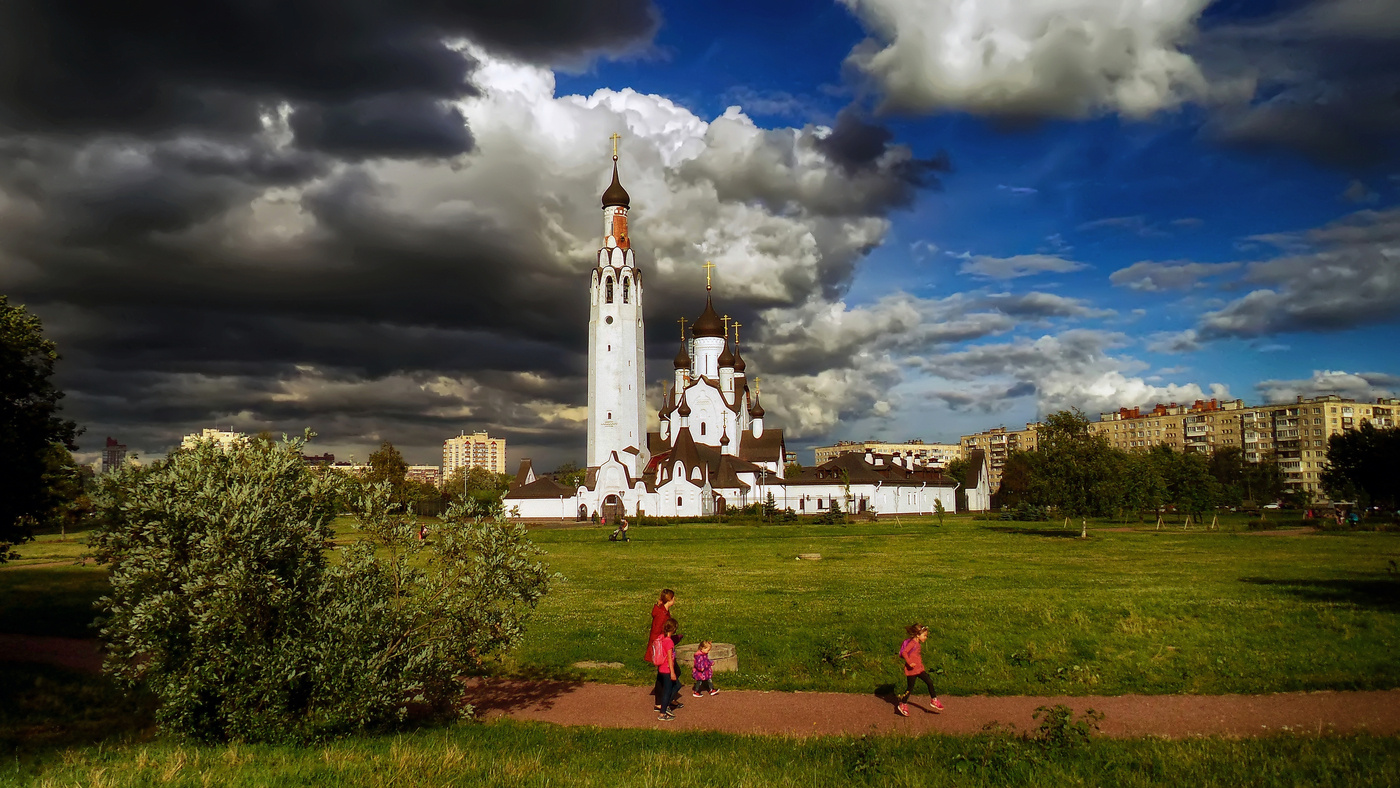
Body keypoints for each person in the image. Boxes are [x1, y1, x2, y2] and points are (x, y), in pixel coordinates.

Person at [896, 623, 943, 717]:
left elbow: (917, 656)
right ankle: (903, 703)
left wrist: (921, 666)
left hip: (919, 669)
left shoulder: (917, 643)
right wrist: (909, 663)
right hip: (911, 670)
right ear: (918, 635)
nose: (926, 637)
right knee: (910, 688)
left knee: (929, 682)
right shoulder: (912, 643)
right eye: (924, 635)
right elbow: (904, 653)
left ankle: (934, 700)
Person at [647, 590, 681, 713]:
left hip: (663, 646)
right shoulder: (662, 615)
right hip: (662, 649)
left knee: (662, 676)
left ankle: (662, 701)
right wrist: (666, 643)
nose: (675, 600)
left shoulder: (663, 611)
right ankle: (663, 702)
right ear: (669, 600)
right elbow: (657, 633)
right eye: (673, 598)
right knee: (672, 674)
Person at [649, 619, 681, 720]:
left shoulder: (661, 638)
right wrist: (672, 672)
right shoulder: (669, 642)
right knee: (668, 690)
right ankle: (663, 713)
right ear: (674, 629)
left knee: (677, 685)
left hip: (661, 668)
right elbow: (669, 658)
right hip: (667, 669)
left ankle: (665, 705)